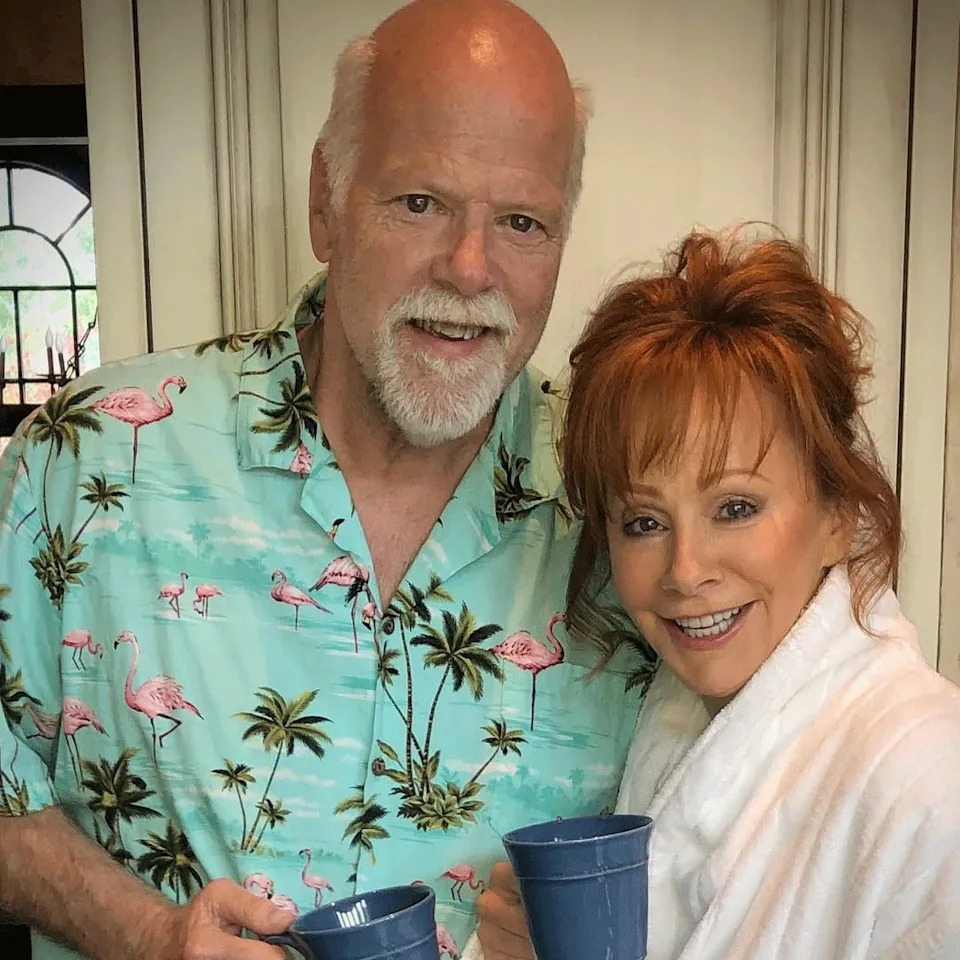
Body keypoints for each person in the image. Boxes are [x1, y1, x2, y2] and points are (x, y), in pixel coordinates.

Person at [0, 2, 653, 958]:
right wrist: (146, 933)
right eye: (419, 202)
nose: (469, 269)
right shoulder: (85, 457)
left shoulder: (630, 507)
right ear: (325, 201)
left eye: (522, 221)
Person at [470, 229, 960, 960]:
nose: (686, 570)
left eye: (735, 507)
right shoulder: (674, 717)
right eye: (644, 522)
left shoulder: (929, 779)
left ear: (837, 516)